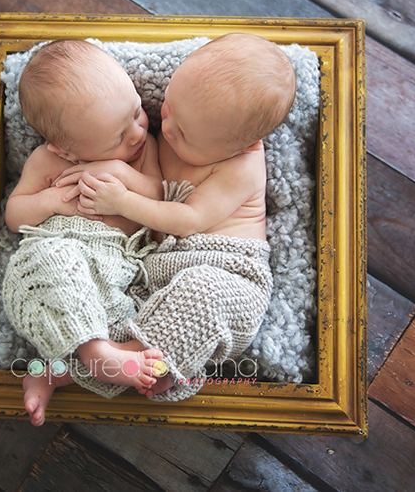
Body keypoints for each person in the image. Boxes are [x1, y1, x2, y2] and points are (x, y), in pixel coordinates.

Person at [66, 33, 297, 400]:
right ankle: (103, 361)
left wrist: (122, 202)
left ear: (242, 145)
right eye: (170, 106)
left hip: (229, 277)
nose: (166, 127)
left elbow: (188, 219)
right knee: (96, 287)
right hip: (158, 272)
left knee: (201, 293)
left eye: (184, 133)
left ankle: (104, 365)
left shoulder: (242, 166)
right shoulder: (177, 129)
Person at [1, 39, 166, 426]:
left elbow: (159, 196)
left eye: (137, 112)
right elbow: (15, 214)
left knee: (126, 323)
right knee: (54, 265)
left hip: (116, 268)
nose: (136, 133)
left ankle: (56, 372)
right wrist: (52, 202)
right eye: (117, 137)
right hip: (57, 257)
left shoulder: (143, 152)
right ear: (66, 150)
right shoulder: (46, 161)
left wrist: (124, 179)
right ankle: (98, 357)